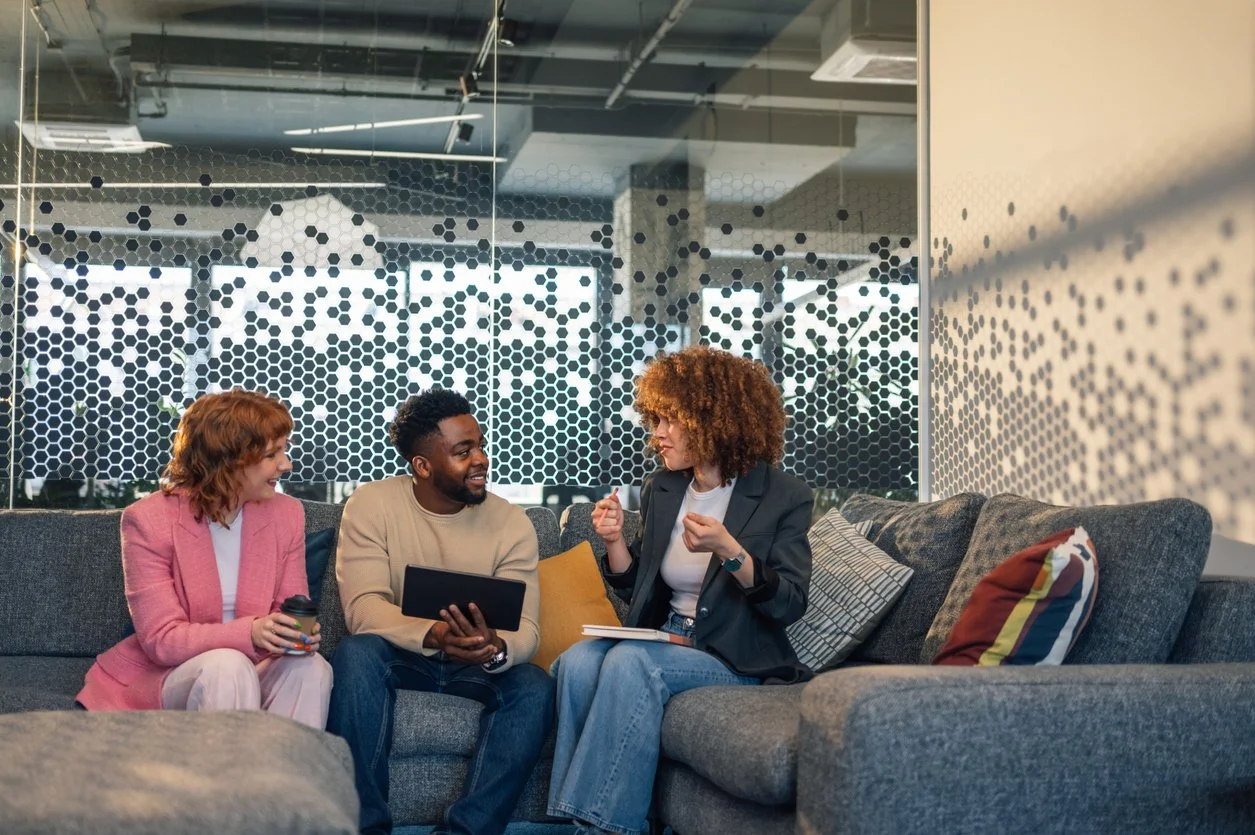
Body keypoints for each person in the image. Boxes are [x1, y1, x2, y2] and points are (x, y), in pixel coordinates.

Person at [547, 346, 814, 835]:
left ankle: (604, 826)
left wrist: (729, 551)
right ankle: (574, 818)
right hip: (667, 636)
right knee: (578, 661)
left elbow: (790, 603)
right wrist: (613, 541)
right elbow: (639, 586)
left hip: (732, 655)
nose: (657, 433)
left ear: (714, 421)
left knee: (632, 663)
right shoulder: (664, 488)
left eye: (671, 420)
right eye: (655, 419)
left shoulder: (783, 496)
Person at [326, 388, 555, 835]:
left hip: (478, 665)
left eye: (480, 446)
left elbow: (527, 629)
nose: (481, 460)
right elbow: (364, 609)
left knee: (534, 686)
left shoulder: (512, 523)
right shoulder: (371, 505)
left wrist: (495, 648)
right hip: (405, 656)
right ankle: (364, 827)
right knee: (355, 654)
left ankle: (466, 831)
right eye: (463, 452)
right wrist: (435, 634)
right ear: (423, 465)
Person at [76, 390, 332, 729]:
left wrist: (292, 634)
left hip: (253, 666)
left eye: (285, 450)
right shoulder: (148, 520)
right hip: (173, 673)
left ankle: (287, 766)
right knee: (227, 667)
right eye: (272, 454)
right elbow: (162, 639)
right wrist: (250, 633)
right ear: (230, 459)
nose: (286, 465)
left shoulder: (287, 514)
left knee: (311, 669)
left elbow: (288, 609)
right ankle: (224, 765)